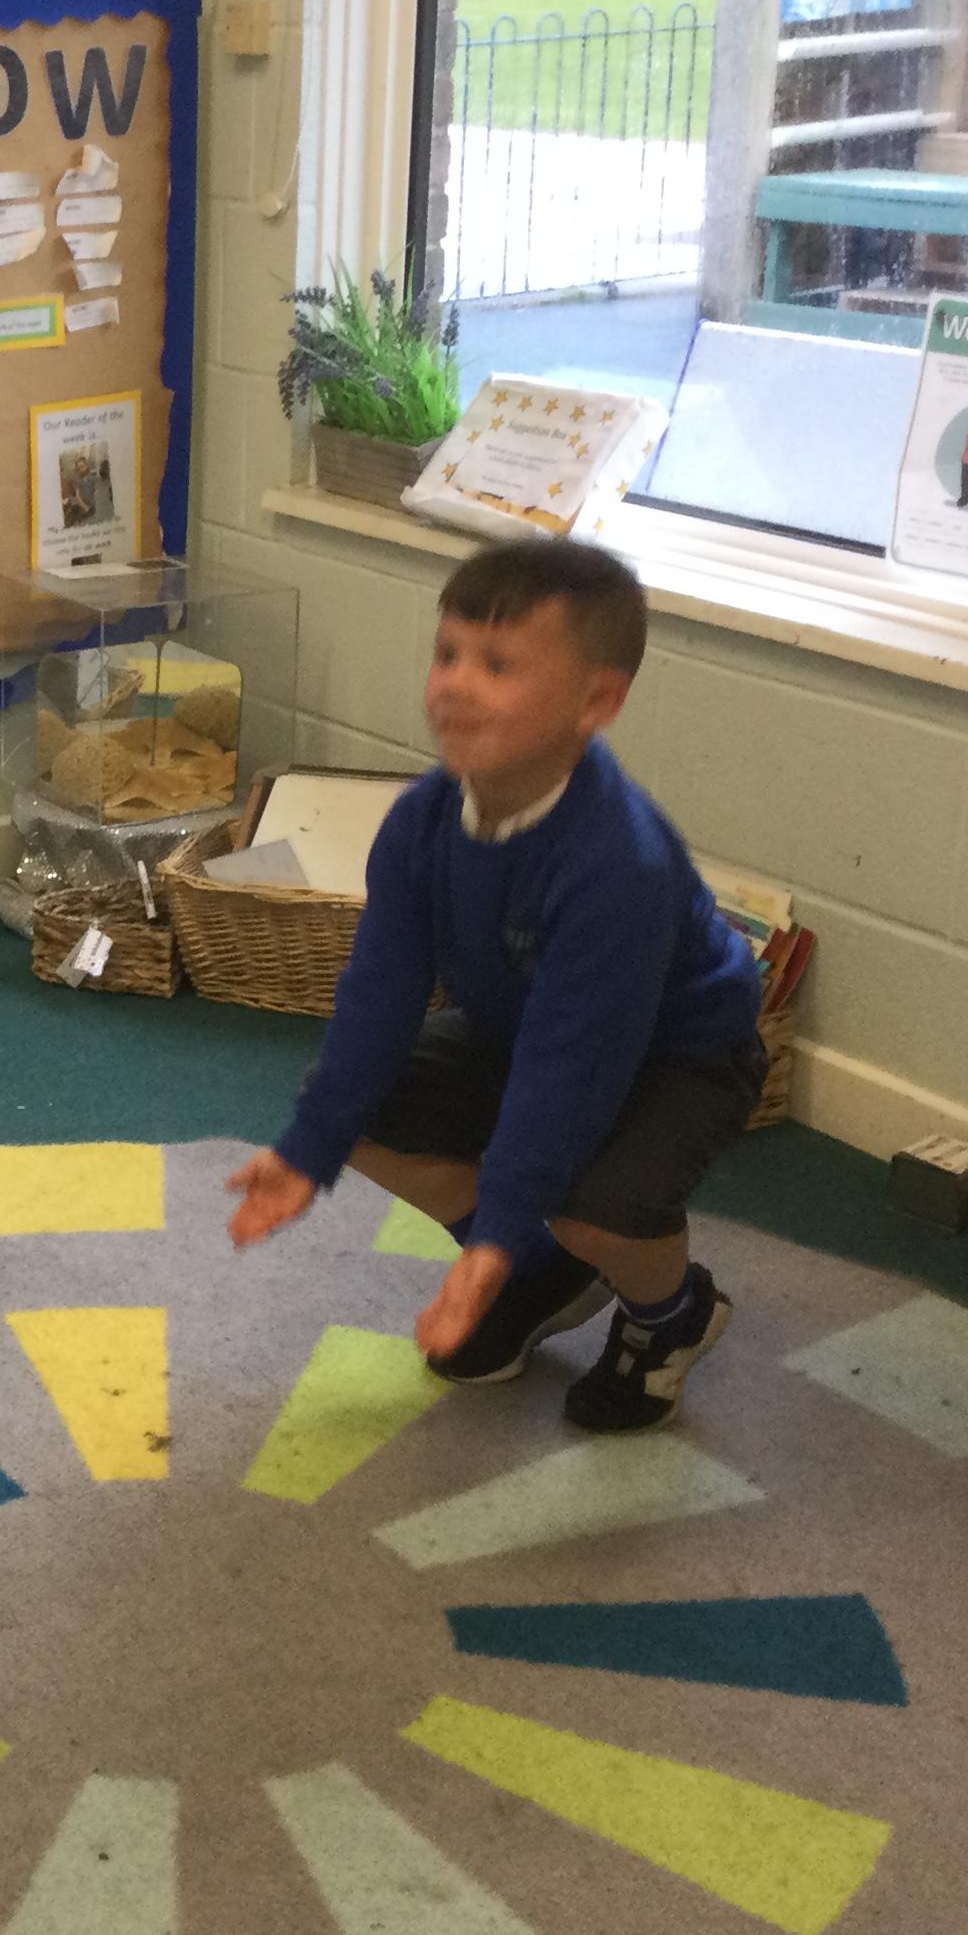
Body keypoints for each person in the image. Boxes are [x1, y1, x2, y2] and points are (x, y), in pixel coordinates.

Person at [225, 539, 767, 1433]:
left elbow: (569, 1071)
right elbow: (378, 994)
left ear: (596, 702)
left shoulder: (617, 864)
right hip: (526, 1029)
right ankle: (542, 1282)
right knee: (356, 1107)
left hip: (682, 1056)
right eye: (448, 654)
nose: (456, 686)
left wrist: (496, 1235)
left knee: (593, 1210)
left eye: (499, 665)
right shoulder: (423, 819)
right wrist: (309, 1150)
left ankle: (671, 1315)